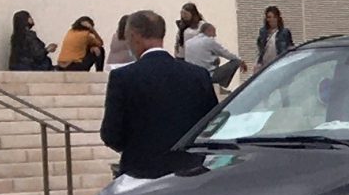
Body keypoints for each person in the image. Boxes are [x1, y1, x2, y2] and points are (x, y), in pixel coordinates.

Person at [100, 10, 218, 176]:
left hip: (141, 171)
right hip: (190, 173)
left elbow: (111, 134)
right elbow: (211, 125)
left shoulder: (123, 77)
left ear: (134, 36)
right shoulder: (198, 75)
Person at [184, 22, 248, 89]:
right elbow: (225, 53)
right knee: (236, 61)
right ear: (208, 31)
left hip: (192, 75)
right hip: (208, 75)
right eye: (213, 32)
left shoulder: (188, 43)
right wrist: (241, 61)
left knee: (215, 60)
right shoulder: (208, 41)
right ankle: (222, 84)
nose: (215, 35)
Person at [255, 6, 294, 73]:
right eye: (268, 17)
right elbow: (261, 50)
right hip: (265, 66)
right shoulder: (263, 32)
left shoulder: (284, 32)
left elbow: (289, 48)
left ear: (278, 18)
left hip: (279, 64)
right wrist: (258, 64)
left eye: (273, 17)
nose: (271, 20)